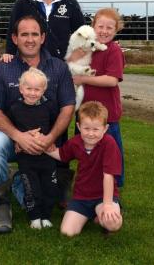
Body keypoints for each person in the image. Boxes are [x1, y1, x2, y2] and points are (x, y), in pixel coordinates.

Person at [0, 15, 75, 233]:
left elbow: (68, 108)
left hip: (49, 141)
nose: (30, 39)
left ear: (43, 37)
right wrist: (18, 136)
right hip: (14, 138)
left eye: (35, 34)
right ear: (15, 38)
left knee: (47, 194)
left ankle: (40, 186)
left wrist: (49, 138)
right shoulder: (2, 69)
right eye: (24, 34)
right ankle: (3, 205)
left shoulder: (59, 68)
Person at [47, 101, 123, 236]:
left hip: (103, 196)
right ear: (79, 126)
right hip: (81, 196)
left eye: (96, 129)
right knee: (67, 232)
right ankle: (90, 214)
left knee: (113, 224)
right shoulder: (75, 142)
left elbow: (108, 176)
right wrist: (44, 147)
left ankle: (105, 211)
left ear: (105, 128)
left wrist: (107, 205)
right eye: (86, 128)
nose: (91, 134)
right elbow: (61, 155)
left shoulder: (109, 143)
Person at [73, 8, 125, 187]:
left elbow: (112, 80)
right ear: (93, 26)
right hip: (85, 114)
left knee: (110, 155)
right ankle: (88, 188)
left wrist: (83, 79)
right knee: (87, 155)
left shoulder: (113, 50)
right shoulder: (89, 48)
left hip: (106, 116)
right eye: (100, 26)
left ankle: (113, 193)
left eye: (109, 28)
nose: (104, 31)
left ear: (116, 29)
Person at [8, 67, 58, 229]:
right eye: (28, 88)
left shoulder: (49, 107)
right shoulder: (15, 108)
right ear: (21, 89)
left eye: (37, 89)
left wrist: (51, 139)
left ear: (44, 90)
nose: (32, 93)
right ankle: (34, 216)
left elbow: (55, 126)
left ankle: (46, 215)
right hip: (26, 158)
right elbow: (12, 129)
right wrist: (16, 141)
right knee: (31, 188)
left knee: (49, 187)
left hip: (47, 157)